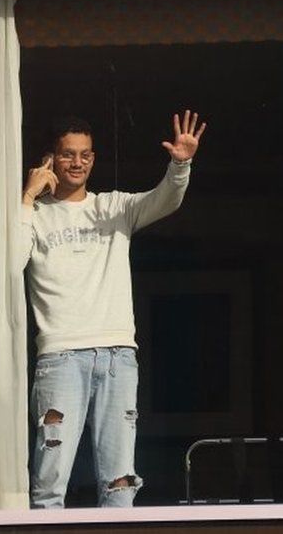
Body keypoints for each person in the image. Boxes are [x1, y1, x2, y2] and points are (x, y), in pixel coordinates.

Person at [19, 110, 207, 508]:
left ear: (93, 158)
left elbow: (164, 200)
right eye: (68, 154)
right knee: (51, 478)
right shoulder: (33, 216)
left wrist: (181, 163)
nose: (77, 163)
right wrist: (27, 196)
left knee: (120, 481)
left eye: (85, 155)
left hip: (118, 354)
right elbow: (10, 259)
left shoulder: (114, 207)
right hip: (61, 356)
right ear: (50, 159)